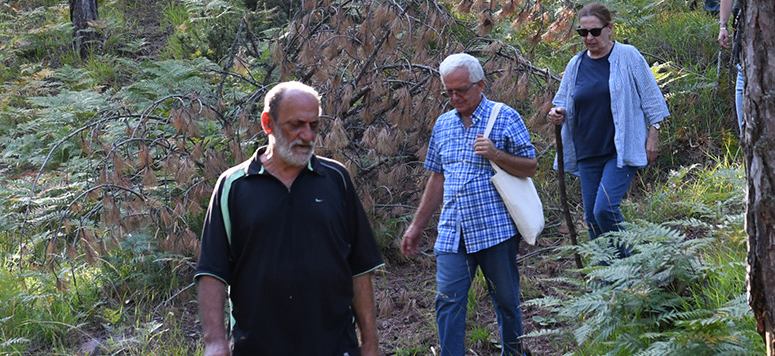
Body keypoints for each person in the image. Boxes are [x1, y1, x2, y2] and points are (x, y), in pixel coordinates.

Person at [195, 81, 383, 356]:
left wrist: (370, 341)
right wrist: (215, 341)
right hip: (256, 346)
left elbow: (359, 268)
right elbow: (213, 271)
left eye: (313, 125)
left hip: (333, 345)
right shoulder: (234, 185)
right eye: (296, 125)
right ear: (267, 123)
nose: (307, 135)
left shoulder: (336, 179)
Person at [402, 53, 537, 356]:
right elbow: (437, 178)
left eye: (461, 90)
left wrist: (496, 154)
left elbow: (530, 166)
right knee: (448, 302)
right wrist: (417, 226)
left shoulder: (504, 117)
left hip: (495, 231)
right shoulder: (443, 124)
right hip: (453, 232)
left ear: (480, 85)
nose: (455, 97)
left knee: (506, 302)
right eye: (448, 91)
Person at [549, 3, 668, 243]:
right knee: (592, 219)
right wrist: (557, 113)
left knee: (604, 209)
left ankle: (630, 261)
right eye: (583, 32)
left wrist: (654, 133)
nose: (589, 38)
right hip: (587, 151)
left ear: (609, 28)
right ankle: (607, 268)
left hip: (620, 150)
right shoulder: (576, 64)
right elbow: (562, 102)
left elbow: (652, 98)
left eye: (595, 31)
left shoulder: (628, 56)